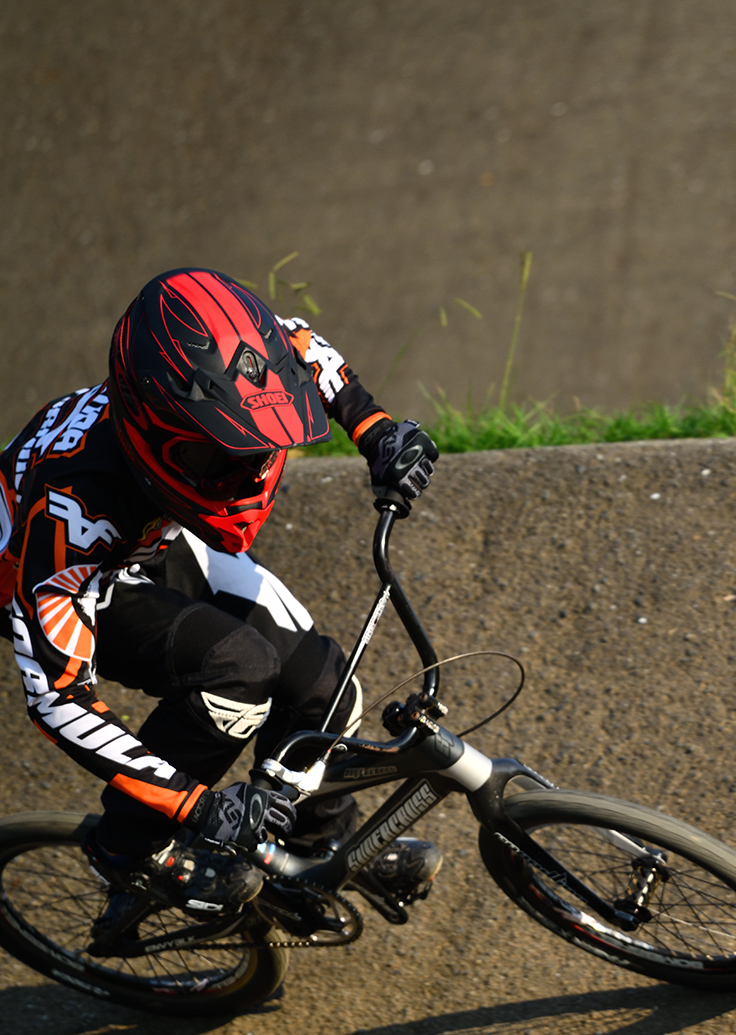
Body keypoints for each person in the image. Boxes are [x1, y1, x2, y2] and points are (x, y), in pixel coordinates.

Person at [0, 268, 442, 933]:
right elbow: (59, 700)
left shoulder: (237, 369)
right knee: (238, 674)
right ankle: (129, 852)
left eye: (258, 450)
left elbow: (298, 347)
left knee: (327, 685)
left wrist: (377, 431)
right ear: (156, 433)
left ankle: (312, 850)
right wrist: (196, 807)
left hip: (146, 532)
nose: (248, 477)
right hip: (71, 568)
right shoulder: (69, 512)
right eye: (220, 459)